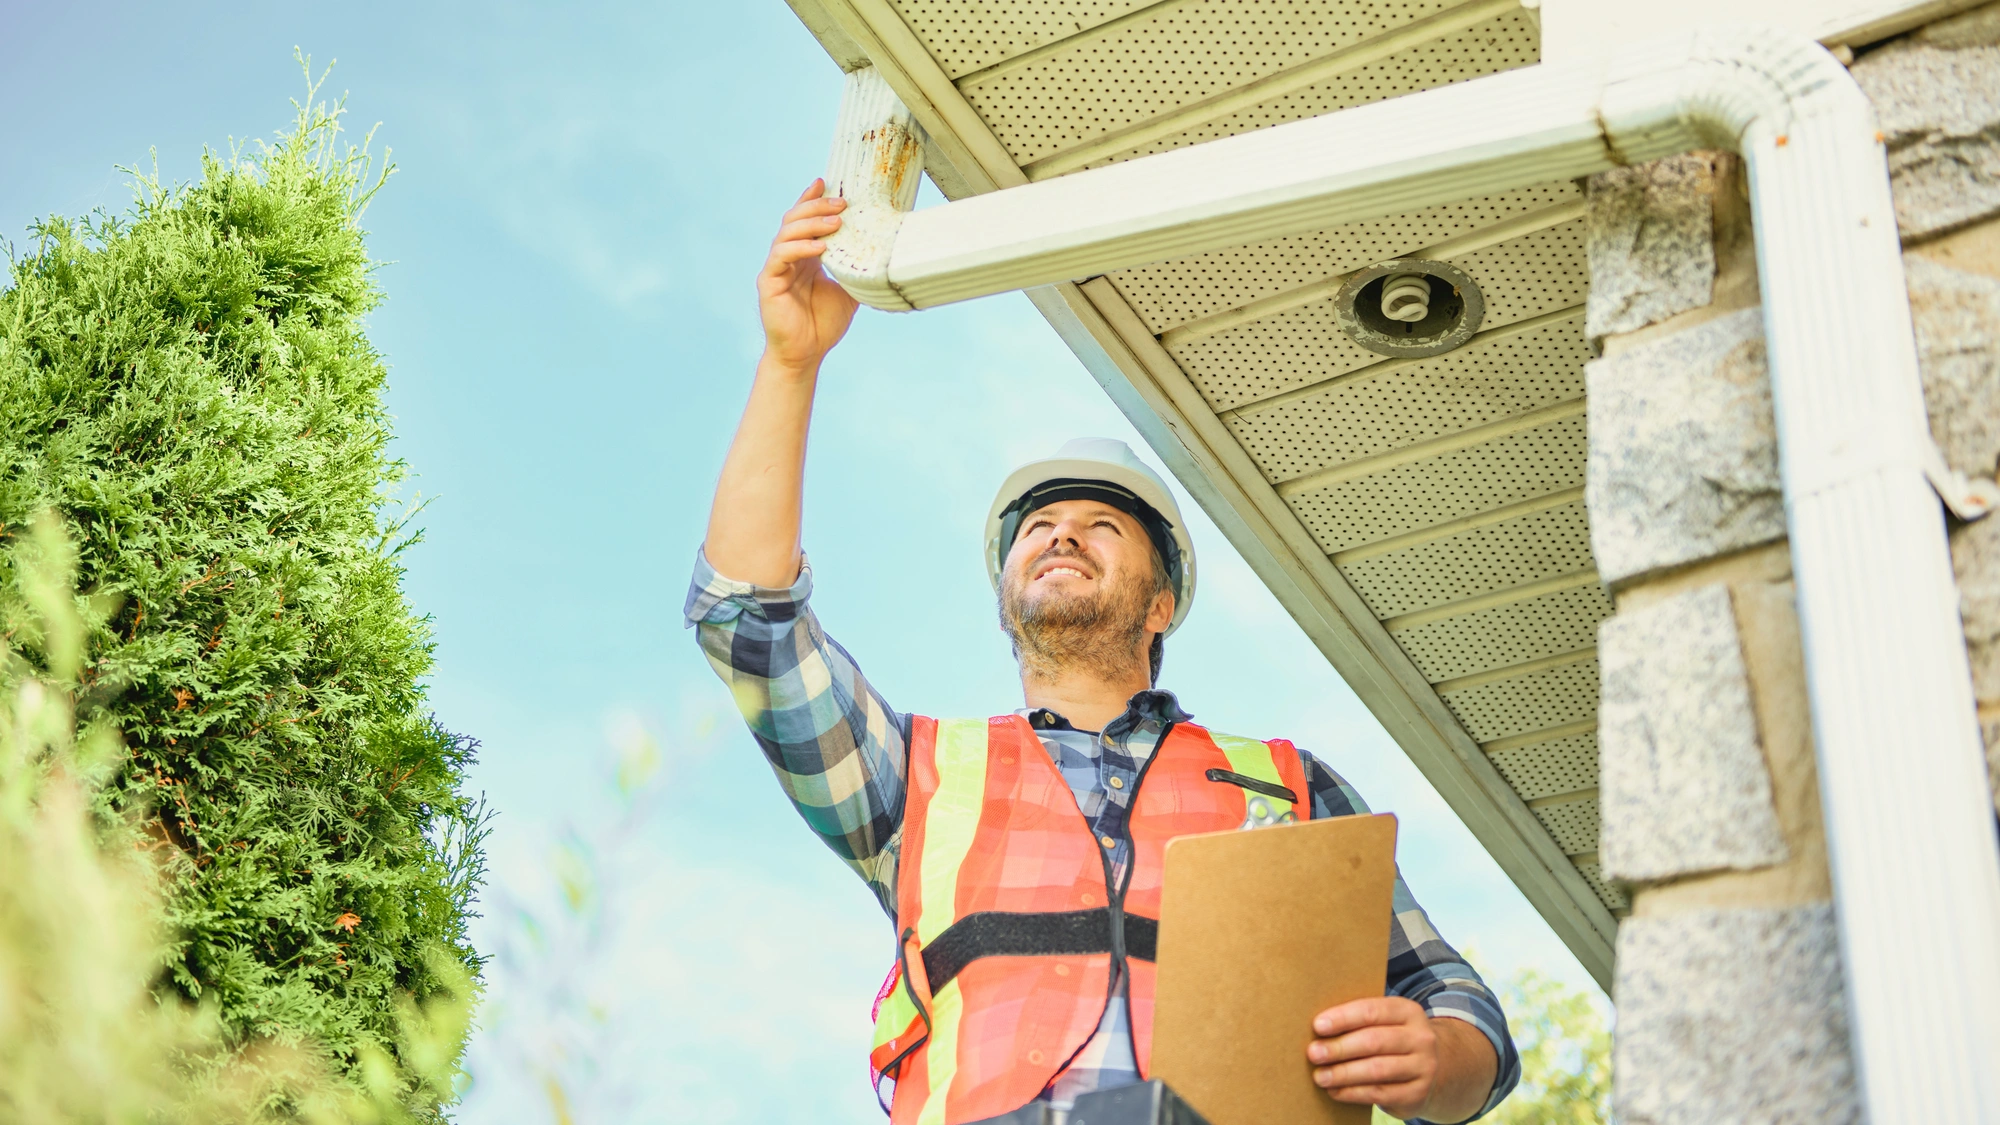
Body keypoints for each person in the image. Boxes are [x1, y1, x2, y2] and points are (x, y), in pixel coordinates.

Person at [686, 180, 1520, 1125]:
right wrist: (791, 363)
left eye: (1099, 525)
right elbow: (748, 625)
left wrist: (1437, 1051)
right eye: (1039, 524)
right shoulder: (915, 776)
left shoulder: (1289, 785)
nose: (1061, 534)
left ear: (1160, 603)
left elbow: (1461, 1012)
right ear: (1008, 602)